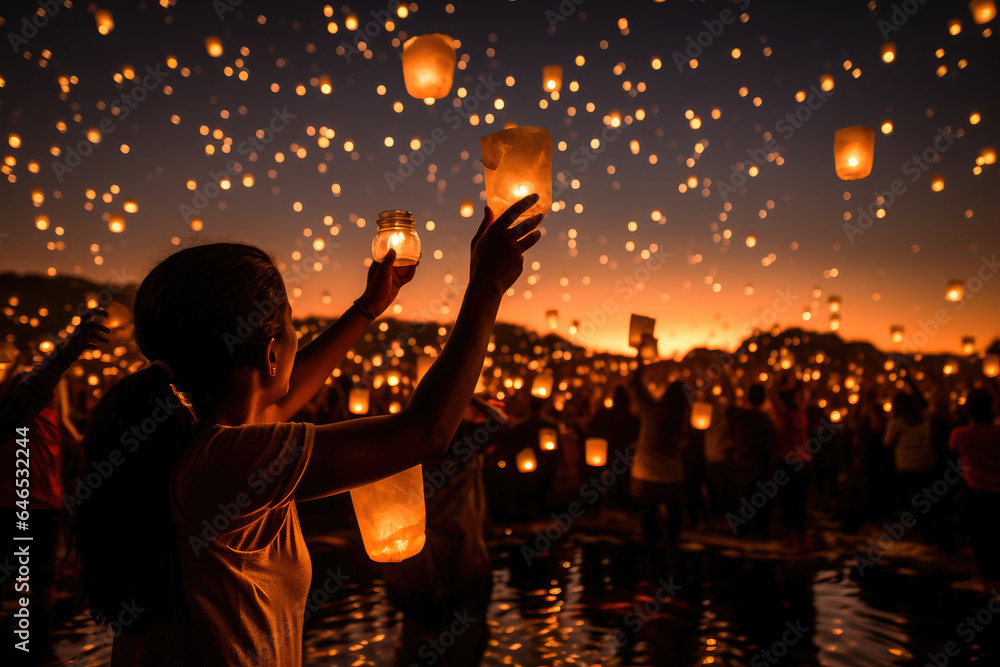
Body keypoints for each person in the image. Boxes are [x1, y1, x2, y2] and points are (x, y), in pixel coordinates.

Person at [72, 195, 543, 666]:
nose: (299, 339)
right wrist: (487, 285)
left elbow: (288, 390)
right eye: (293, 326)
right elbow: (425, 434)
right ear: (270, 352)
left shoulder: (197, 441)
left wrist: (368, 307)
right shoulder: (226, 462)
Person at [0, 310, 109, 666]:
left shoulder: (48, 392)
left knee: (42, 578)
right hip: (13, 495)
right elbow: (18, 405)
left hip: (45, 494)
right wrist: (62, 356)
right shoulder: (12, 389)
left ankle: (39, 649)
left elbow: (60, 423)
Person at [383, 396, 506, 667]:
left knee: (430, 628)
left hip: (440, 543)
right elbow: (499, 422)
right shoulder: (460, 436)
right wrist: (469, 397)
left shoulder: (421, 437)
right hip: (454, 543)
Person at [627, 359, 689, 572]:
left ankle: (649, 561)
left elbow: (636, 385)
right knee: (675, 517)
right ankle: (673, 556)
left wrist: (640, 359)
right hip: (673, 475)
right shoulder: (683, 418)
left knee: (648, 516)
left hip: (647, 473)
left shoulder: (651, 410)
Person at [948, 388, 1000, 586]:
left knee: (983, 539)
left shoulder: (960, 435)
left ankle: (988, 579)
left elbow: (951, 451)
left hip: (977, 495)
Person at [884, 374, 940, 545]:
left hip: (907, 466)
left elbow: (887, 443)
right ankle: (928, 531)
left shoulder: (897, 422)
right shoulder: (925, 417)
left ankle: (922, 533)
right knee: (926, 498)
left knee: (914, 498)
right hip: (926, 463)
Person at [726, 383, 778, 538]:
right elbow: (770, 448)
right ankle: (759, 534)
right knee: (759, 504)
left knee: (742, 501)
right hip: (759, 469)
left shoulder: (738, 417)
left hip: (740, 466)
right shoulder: (765, 422)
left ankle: (741, 533)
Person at [767, 373, 812, 548]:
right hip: (801, 463)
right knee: (799, 502)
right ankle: (798, 534)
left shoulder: (786, 415)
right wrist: (797, 381)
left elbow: (771, 393)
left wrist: (780, 381)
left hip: (787, 463)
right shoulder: (798, 414)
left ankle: (792, 534)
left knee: (789, 501)